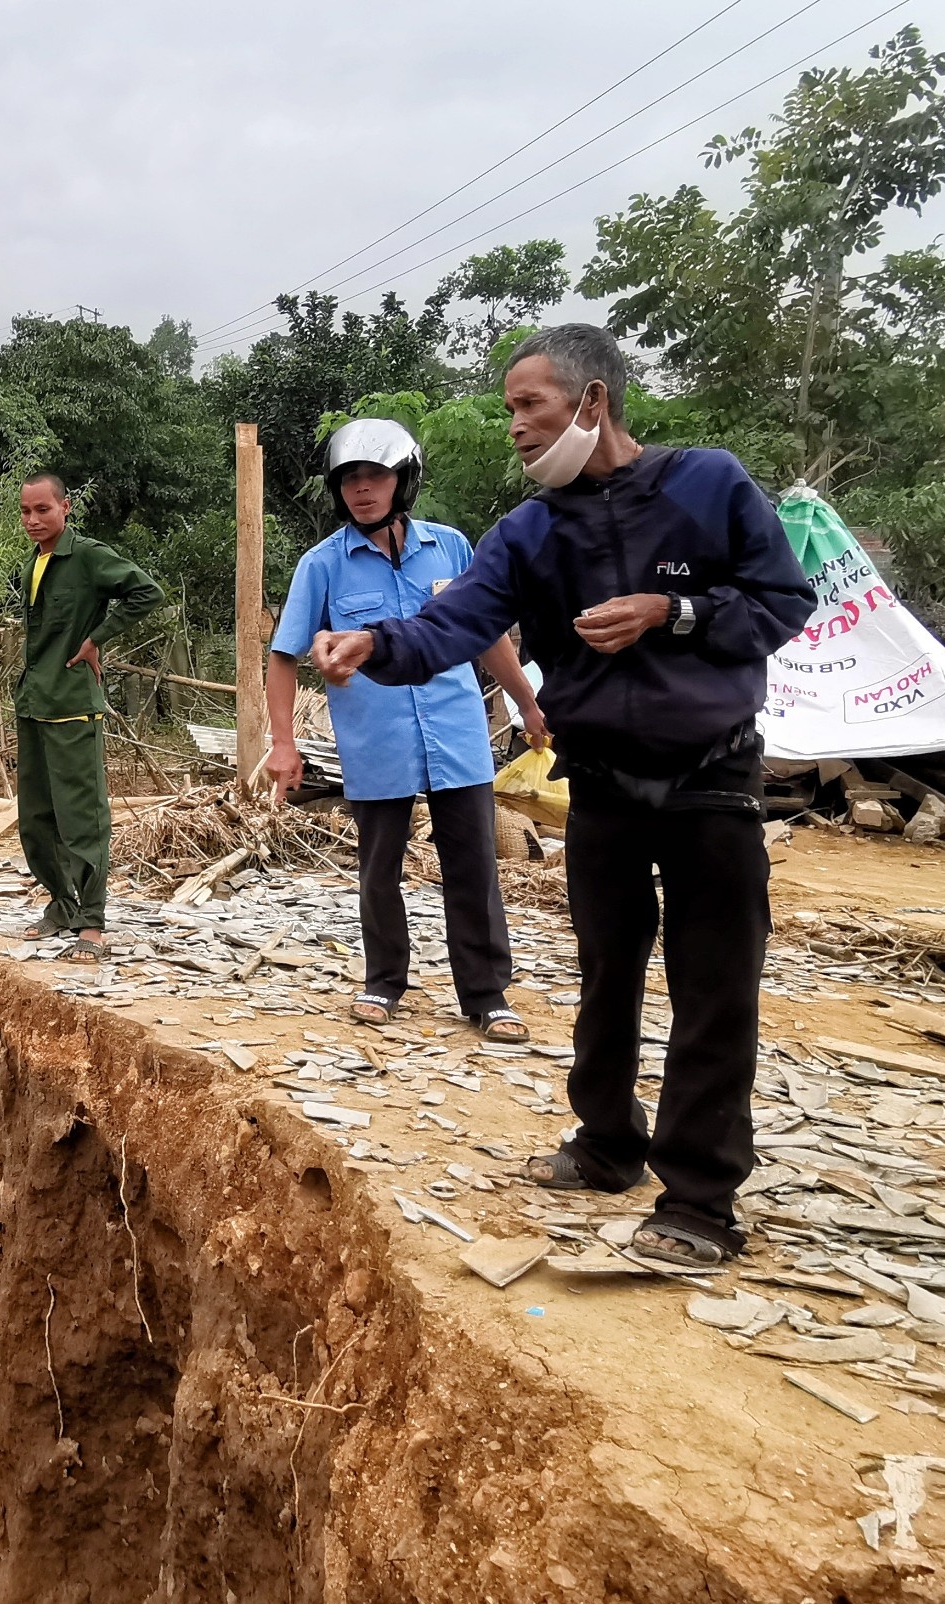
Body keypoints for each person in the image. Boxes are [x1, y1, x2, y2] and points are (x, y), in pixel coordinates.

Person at [311, 325, 816, 1266]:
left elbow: (784, 605)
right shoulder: (528, 532)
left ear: (592, 402)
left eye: (527, 405)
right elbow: (450, 625)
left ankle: (702, 1201)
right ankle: (608, 1144)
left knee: (714, 986)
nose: (514, 427)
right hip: (604, 784)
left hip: (713, 774)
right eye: (509, 409)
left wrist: (677, 612)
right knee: (607, 970)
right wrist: (375, 646)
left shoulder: (709, 485)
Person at [266, 417, 544, 1038]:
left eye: (375, 476)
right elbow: (283, 656)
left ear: (403, 480)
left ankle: (486, 994)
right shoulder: (323, 565)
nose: (361, 490)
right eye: (349, 480)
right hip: (376, 742)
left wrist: (527, 703)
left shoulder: (451, 548)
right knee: (379, 868)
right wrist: (283, 744)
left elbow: (489, 635)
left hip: (458, 735)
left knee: (473, 867)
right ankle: (383, 981)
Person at [13, 472, 166, 960]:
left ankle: (91, 922)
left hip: (73, 706)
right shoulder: (34, 564)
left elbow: (147, 593)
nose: (34, 520)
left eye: (43, 510)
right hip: (34, 703)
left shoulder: (88, 557)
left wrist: (97, 637)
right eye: (26, 511)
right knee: (36, 817)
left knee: (82, 817)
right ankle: (60, 903)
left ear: (66, 507)